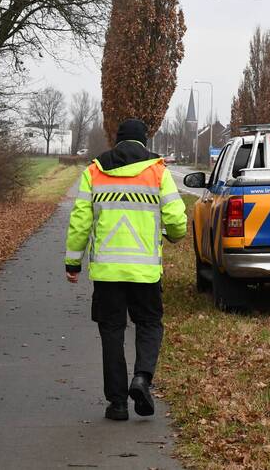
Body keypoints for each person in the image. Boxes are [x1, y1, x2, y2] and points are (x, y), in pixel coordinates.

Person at [64, 118, 188, 421]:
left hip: (107, 273)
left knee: (111, 333)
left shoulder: (94, 172)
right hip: (145, 272)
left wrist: (73, 262)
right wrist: (174, 234)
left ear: (116, 141)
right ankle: (142, 378)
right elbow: (176, 218)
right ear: (144, 141)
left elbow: (80, 222)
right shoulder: (158, 172)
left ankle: (118, 404)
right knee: (149, 324)